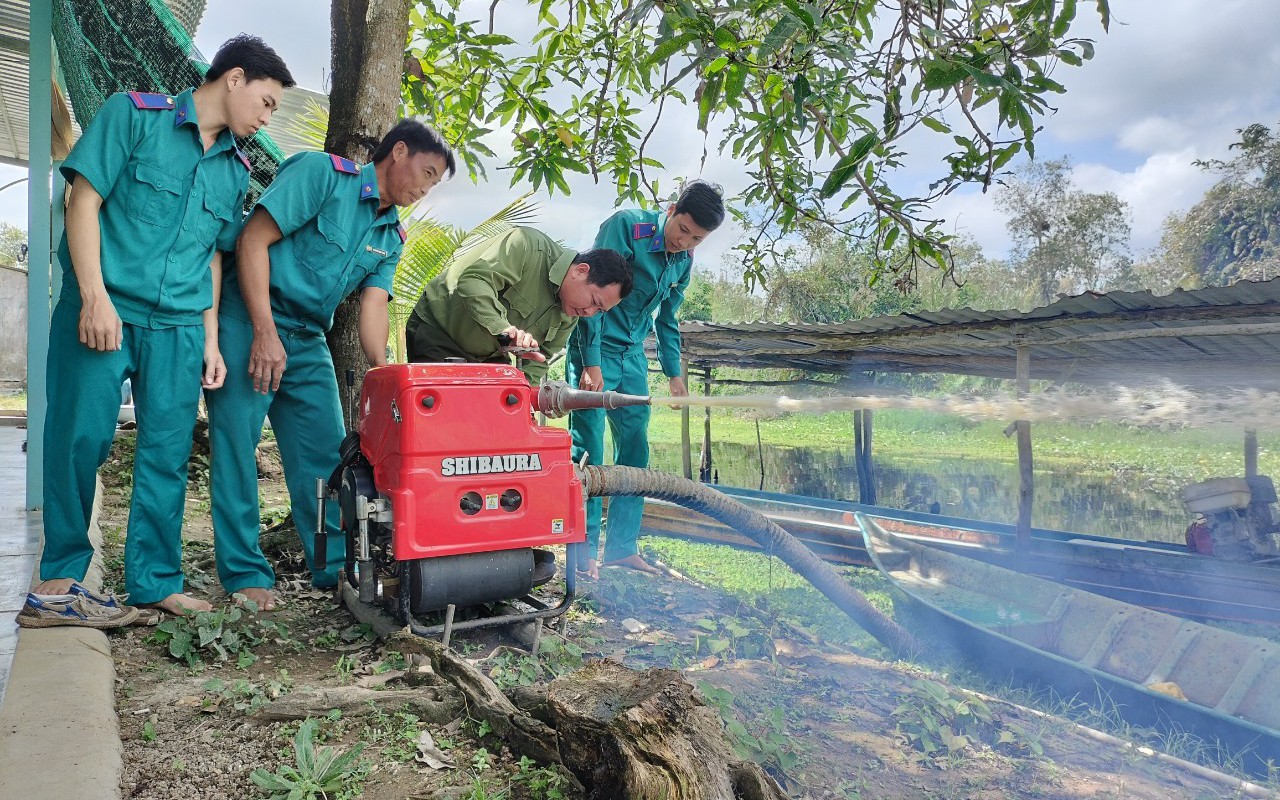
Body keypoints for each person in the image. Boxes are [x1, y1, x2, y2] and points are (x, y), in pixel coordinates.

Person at [27, 35, 294, 625]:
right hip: (105, 307)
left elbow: (213, 258)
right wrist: (93, 296)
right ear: (234, 79)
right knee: (79, 435)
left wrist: (212, 340)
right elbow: (84, 198)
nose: (268, 115)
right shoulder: (133, 114)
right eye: (268, 101)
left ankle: (154, 581)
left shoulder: (236, 170)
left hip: (178, 325)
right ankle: (61, 576)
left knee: (168, 454)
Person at [206, 120, 456, 612]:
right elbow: (253, 240)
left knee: (326, 458)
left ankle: (336, 567)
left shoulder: (393, 234)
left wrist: (386, 375)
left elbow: (375, 305)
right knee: (236, 448)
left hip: (306, 337)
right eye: (425, 173)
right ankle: (243, 572)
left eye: (433, 183)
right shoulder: (323, 175)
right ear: (399, 151)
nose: (425, 189)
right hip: (248, 318)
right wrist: (263, 332)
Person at [567, 181, 726, 579]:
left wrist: (674, 375)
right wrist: (592, 362)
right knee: (587, 450)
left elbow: (667, 320)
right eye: (683, 229)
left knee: (635, 450)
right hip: (595, 345)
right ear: (672, 209)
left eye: (697, 239)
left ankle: (621, 549)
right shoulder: (627, 226)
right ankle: (581, 552)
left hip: (634, 358)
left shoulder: (684, 262)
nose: (684, 241)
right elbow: (594, 293)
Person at [404, 227, 632, 382]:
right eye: (594, 301)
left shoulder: (571, 312)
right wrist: (503, 330)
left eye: (599, 311)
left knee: (501, 424)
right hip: (439, 330)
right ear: (581, 271)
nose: (589, 313)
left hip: (488, 356)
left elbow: (539, 360)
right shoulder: (526, 245)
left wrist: (527, 398)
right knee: (448, 423)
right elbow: (474, 281)